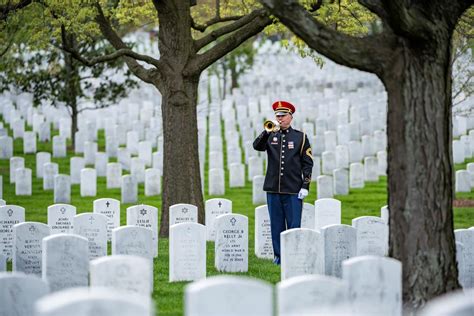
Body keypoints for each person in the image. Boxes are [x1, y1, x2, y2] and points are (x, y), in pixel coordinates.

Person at [253, 100, 313, 265]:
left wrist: (305, 185)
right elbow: (256, 146)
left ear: (290, 117)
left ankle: (294, 254)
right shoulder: (270, 135)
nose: (280, 118)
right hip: (273, 189)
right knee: (276, 225)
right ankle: (279, 257)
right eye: (277, 116)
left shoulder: (300, 137)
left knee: (294, 225)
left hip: (293, 190)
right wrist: (266, 131)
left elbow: (308, 163)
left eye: (283, 115)